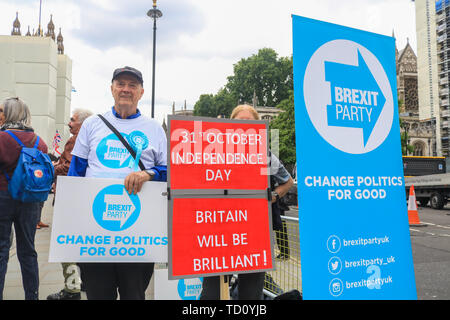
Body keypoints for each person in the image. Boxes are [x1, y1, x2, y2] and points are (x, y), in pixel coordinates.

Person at [68, 66, 167, 300]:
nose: (126, 89)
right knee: (98, 294)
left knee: (134, 294)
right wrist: (71, 219)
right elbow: (76, 173)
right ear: (111, 89)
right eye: (120, 84)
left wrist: (149, 174)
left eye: (132, 85)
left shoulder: (154, 129)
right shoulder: (92, 125)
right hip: (96, 232)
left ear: (141, 92)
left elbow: (169, 171)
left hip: (138, 233)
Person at [199, 104, 294, 300]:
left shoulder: (265, 155)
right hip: (219, 234)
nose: (244, 128)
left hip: (254, 235)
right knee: (212, 295)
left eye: (249, 123)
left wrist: (271, 197)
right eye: (239, 123)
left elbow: (288, 182)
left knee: (250, 296)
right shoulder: (215, 152)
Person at [0, 97, 49, 300]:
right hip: (30, 199)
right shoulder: (39, 141)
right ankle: (32, 295)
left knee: (2, 250)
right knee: (28, 250)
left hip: (3, 196)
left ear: (9, 113)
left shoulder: (2, 138)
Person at [46, 108, 93, 300]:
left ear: (82, 123)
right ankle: (83, 284)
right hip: (82, 198)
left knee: (67, 245)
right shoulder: (91, 139)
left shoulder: (77, 139)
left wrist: (52, 167)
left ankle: (72, 289)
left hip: (69, 197)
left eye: (72, 120)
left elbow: (69, 167)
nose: (69, 123)